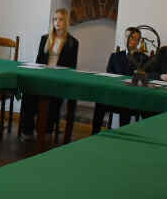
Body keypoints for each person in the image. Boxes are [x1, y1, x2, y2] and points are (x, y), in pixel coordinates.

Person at [20, 8, 79, 140]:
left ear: (66, 22)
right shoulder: (45, 39)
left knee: (53, 98)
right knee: (29, 94)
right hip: (43, 77)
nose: (57, 22)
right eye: (55, 19)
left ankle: (46, 130)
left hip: (58, 80)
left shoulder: (72, 42)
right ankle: (27, 130)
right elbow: (38, 61)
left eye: (61, 19)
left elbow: (72, 67)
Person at [91, 27, 148, 133]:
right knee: (100, 101)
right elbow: (108, 75)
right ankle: (94, 133)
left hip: (131, 97)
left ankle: (122, 135)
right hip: (115, 94)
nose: (129, 40)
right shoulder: (115, 56)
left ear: (138, 41)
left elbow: (144, 80)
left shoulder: (143, 58)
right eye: (127, 37)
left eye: (133, 38)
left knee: (126, 104)